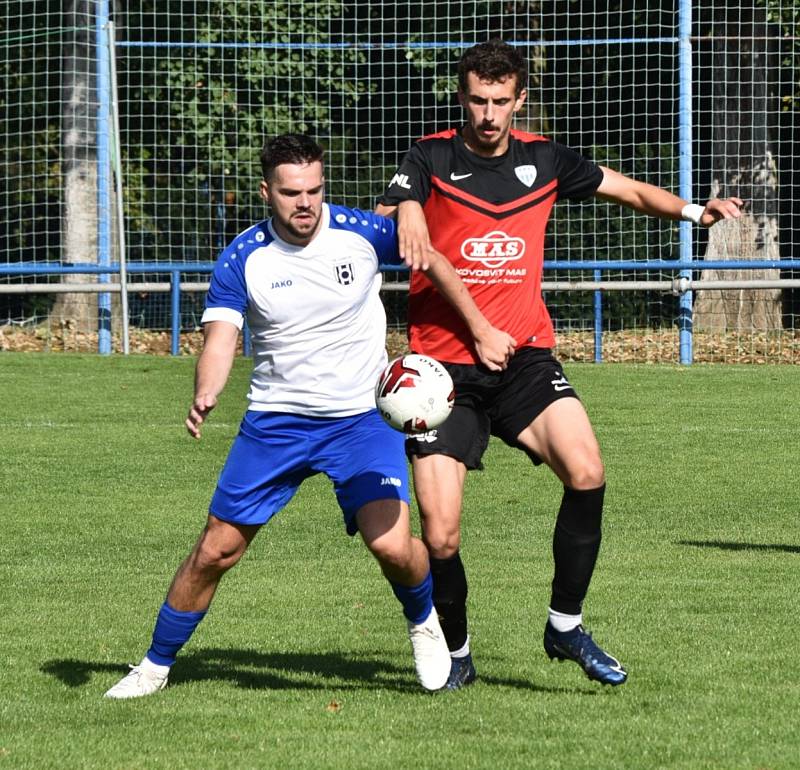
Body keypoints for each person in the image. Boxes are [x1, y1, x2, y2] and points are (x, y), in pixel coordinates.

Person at [376, 39, 743, 690]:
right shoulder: (428, 156)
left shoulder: (544, 160)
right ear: (462, 98)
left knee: (587, 469)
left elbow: (623, 189)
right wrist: (405, 211)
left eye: (500, 101)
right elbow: (402, 206)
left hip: (522, 358)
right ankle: (456, 653)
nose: (488, 113)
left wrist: (694, 211)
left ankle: (565, 625)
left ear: (519, 100)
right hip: (442, 375)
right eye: (477, 100)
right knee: (442, 536)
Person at [105, 133, 514, 699]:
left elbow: (435, 260)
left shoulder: (365, 234)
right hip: (276, 424)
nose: (305, 203)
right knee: (215, 550)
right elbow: (221, 338)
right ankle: (154, 665)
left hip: (360, 422)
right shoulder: (243, 258)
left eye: (315, 190)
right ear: (266, 191)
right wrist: (206, 391)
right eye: (291, 192)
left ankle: (424, 624)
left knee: (393, 546)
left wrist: (479, 327)